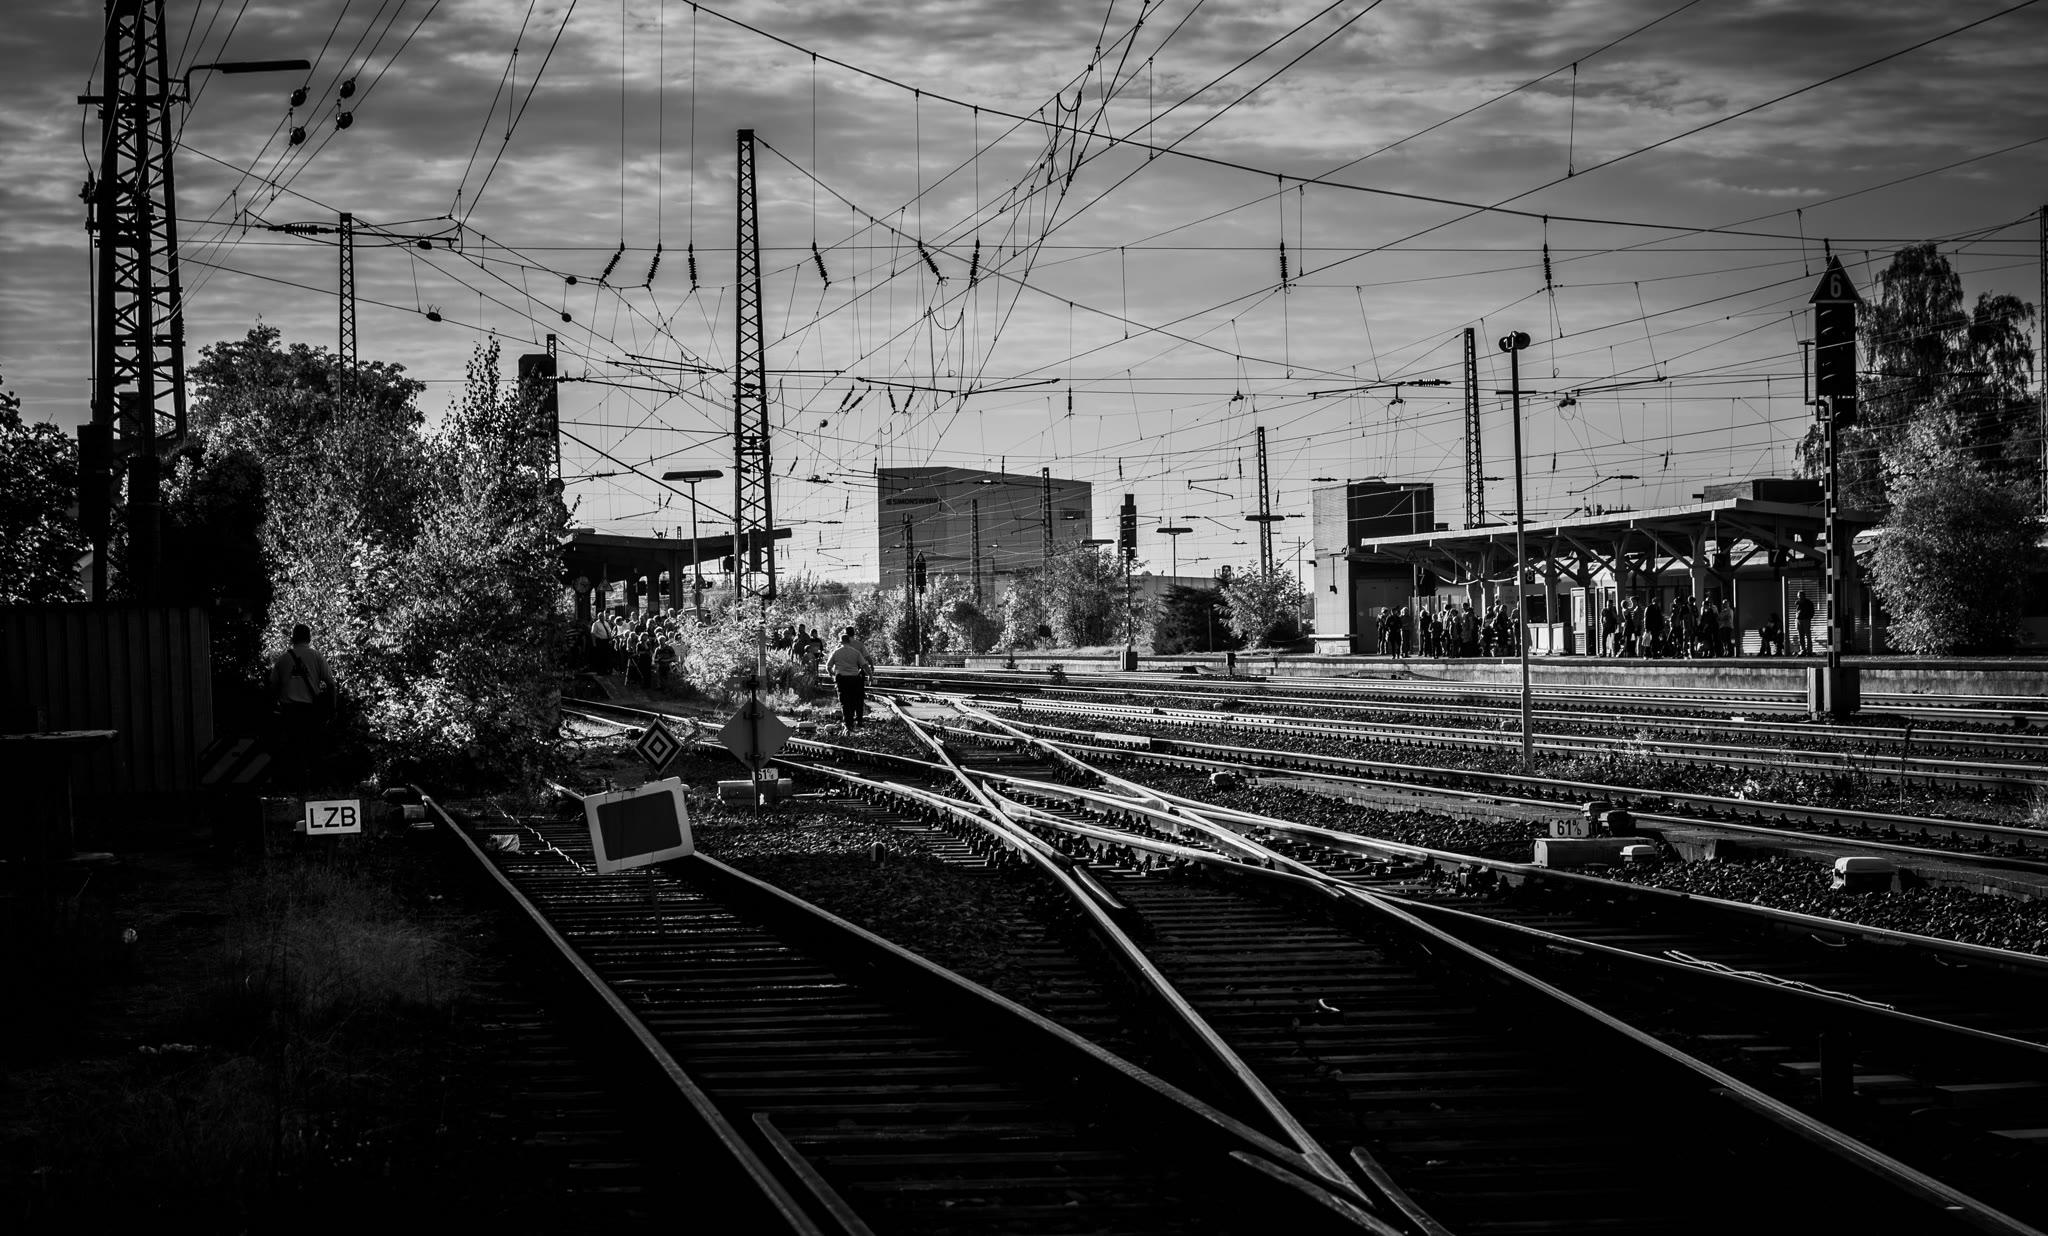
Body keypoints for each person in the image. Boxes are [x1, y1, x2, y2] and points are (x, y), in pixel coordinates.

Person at [267, 623, 335, 791]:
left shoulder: (283, 659)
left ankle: (294, 787)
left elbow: (272, 686)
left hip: (290, 712)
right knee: (313, 750)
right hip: (311, 712)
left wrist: (274, 707)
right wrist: (332, 708)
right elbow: (331, 684)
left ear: (293, 638)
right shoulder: (316, 656)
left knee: (293, 751)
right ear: (309, 638)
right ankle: (315, 788)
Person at [826, 627, 874, 726]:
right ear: (849, 641)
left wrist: (832, 674)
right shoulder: (856, 652)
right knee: (853, 700)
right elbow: (865, 665)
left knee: (844, 701)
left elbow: (828, 666)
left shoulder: (836, 652)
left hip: (841, 679)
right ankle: (854, 720)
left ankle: (848, 722)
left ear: (841, 642)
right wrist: (870, 676)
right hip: (854, 678)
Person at [1796, 591, 1816, 656]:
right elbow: (1797, 611)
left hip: (1806, 620)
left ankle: (1809, 651)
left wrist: (1809, 617)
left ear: (1804, 596)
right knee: (1800, 636)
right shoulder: (1798, 602)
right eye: (1798, 595)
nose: (1799, 597)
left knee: (1808, 635)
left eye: (1800, 595)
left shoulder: (1808, 602)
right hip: (1799, 619)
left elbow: (1812, 611)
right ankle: (1803, 650)